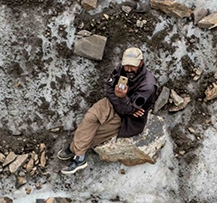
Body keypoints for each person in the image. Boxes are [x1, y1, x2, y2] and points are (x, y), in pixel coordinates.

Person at [60, 47, 158, 175]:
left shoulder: (148, 85)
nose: (128, 69)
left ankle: (76, 152)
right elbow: (108, 88)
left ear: (141, 63)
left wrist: (122, 98)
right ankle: (79, 155)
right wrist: (120, 98)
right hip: (114, 103)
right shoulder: (120, 68)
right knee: (90, 117)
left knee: (97, 133)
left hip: (127, 118)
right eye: (126, 65)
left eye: (132, 66)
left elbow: (128, 110)